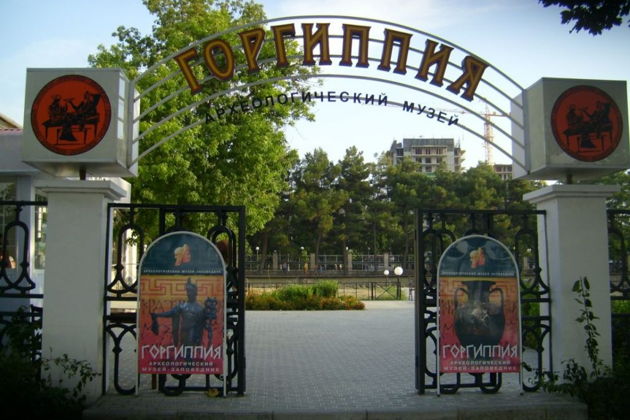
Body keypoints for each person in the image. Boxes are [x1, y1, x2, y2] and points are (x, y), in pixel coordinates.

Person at [151, 278, 212, 348]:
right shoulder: (182, 306)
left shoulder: (200, 309)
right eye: (188, 291)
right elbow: (171, 313)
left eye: (191, 291)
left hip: (195, 335)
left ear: (195, 292)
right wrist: (157, 315)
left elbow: (205, 323)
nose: (189, 293)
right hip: (184, 334)